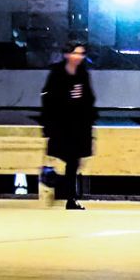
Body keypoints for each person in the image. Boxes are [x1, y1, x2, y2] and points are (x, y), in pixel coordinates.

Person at [39, 42, 97, 209]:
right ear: (67, 55)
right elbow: (49, 99)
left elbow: (88, 98)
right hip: (61, 125)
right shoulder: (57, 73)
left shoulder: (82, 74)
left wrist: (89, 117)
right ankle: (66, 192)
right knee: (69, 160)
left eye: (81, 54)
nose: (78, 57)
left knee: (73, 162)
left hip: (78, 126)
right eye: (75, 53)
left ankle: (70, 197)